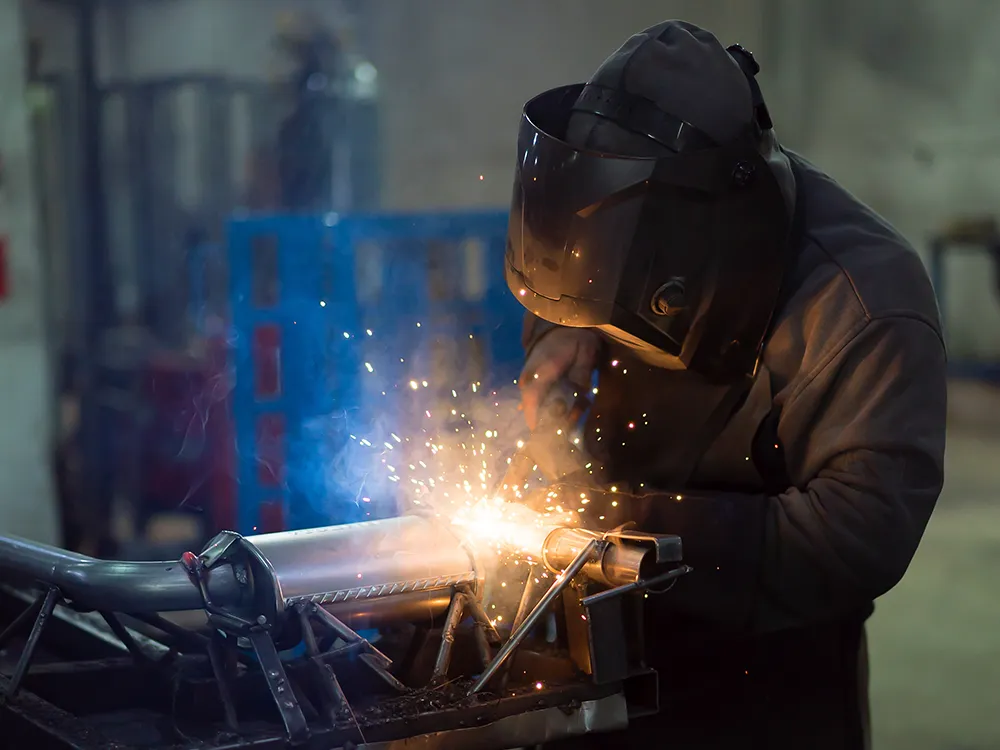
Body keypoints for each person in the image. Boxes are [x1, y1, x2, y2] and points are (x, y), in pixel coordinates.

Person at [507, 20, 947, 750]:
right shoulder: (617, 221)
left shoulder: (863, 303)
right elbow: (567, 270)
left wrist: (612, 520)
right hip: (604, 644)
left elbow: (856, 539)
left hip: (770, 676)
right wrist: (564, 332)